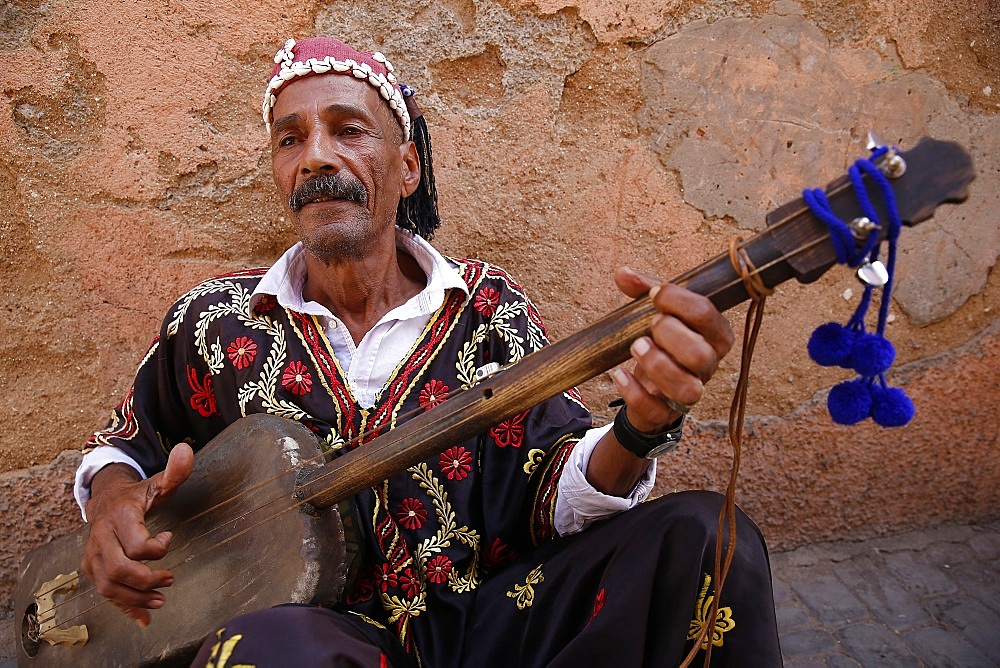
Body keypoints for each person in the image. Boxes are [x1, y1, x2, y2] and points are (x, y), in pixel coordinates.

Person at [75, 37, 781, 667]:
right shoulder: (216, 322)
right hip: (330, 645)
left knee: (705, 540)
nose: (316, 155)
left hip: (491, 624)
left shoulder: (488, 310)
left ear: (407, 166)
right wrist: (112, 502)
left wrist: (639, 426)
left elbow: (550, 490)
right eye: (290, 141)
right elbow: (125, 445)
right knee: (267, 650)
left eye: (348, 130)